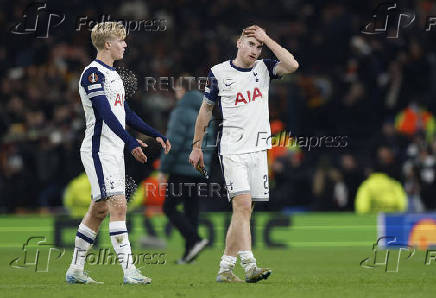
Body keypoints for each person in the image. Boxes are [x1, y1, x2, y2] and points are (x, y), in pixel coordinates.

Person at [189, 25, 299, 283]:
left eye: (258, 46)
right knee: (242, 205)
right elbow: (205, 111)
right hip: (233, 151)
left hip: (259, 152)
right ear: (238, 43)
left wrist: (267, 39)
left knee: (244, 211)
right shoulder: (218, 73)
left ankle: (225, 269)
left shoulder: (264, 69)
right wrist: (196, 147)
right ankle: (250, 266)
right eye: (251, 44)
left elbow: (292, 65)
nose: (255, 50)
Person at [65, 22, 171, 285]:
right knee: (118, 205)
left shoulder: (114, 75)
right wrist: (130, 142)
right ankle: (129, 271)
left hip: (112, 150)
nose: (125, 45)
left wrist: (153, 133)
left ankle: (75, 271)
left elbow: (126, 114)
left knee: (99, 209)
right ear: (108, 44)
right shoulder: (92, 74)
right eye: (121, 40)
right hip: (99, 150)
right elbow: (104, 113)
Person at [160, 76, 214, 264]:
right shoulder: (206, 109)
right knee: (192, 209)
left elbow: (172, 142)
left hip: (181, 167)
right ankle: (189, 253)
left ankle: (195, 239)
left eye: (176, 90)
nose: (176, 94)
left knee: (169, 207)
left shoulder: (181, 111)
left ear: (182, 90)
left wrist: (163, 168)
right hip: (198, 168)